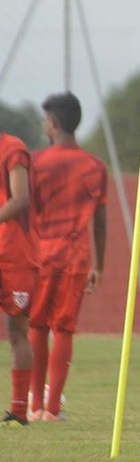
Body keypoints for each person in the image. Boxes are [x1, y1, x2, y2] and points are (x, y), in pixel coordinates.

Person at [28, 92, 108, 422]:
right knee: (64, 328)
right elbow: (100, 221)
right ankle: (53, 409)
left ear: (53, 123)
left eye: (45, 120)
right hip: (76, 257)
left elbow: (25, 211)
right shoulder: (95, 167)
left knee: (36, 325)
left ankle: (34, 405)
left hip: (40, 255)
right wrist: (99, 266)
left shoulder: (35, 164)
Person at [0, 131, 39, 427]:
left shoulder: (12, 149)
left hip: (14, 254)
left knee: (17, 331)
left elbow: (20, 198)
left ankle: (19, 409)